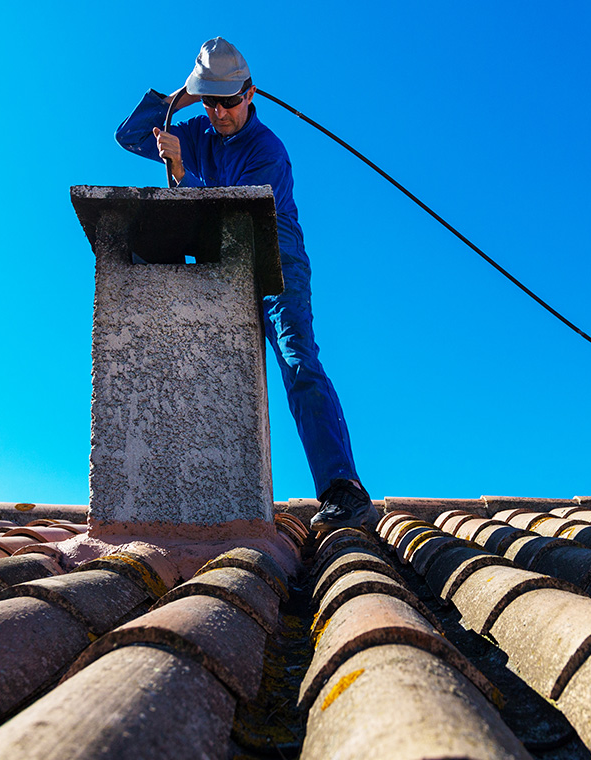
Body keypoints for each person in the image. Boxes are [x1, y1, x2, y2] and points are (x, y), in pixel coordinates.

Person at [114, 37, 376, 532]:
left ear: (250, 94)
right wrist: (181, 98)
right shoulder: (198, 129)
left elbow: (233, 211)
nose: (220, 113)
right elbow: (129, 135)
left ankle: (343, 488)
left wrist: (182, 171)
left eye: (228, 101)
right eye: (211, 101)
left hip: (274, 256)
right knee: (209, 370)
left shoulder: (267, 150)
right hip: (226, 261)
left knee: (297, 359)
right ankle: (207, 493)